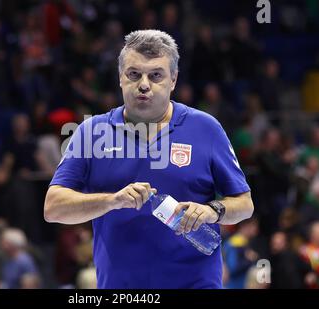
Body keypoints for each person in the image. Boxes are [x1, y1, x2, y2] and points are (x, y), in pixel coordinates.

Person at [44, 30, 254, 289]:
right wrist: (112, 200)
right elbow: (53, 208)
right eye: (134, 74)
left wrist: (213, 210)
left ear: (173, 79)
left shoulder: (206, 128)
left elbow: (245, 205)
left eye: (155, 75)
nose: (144, 84)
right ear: (121, 78)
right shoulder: (91, 132)